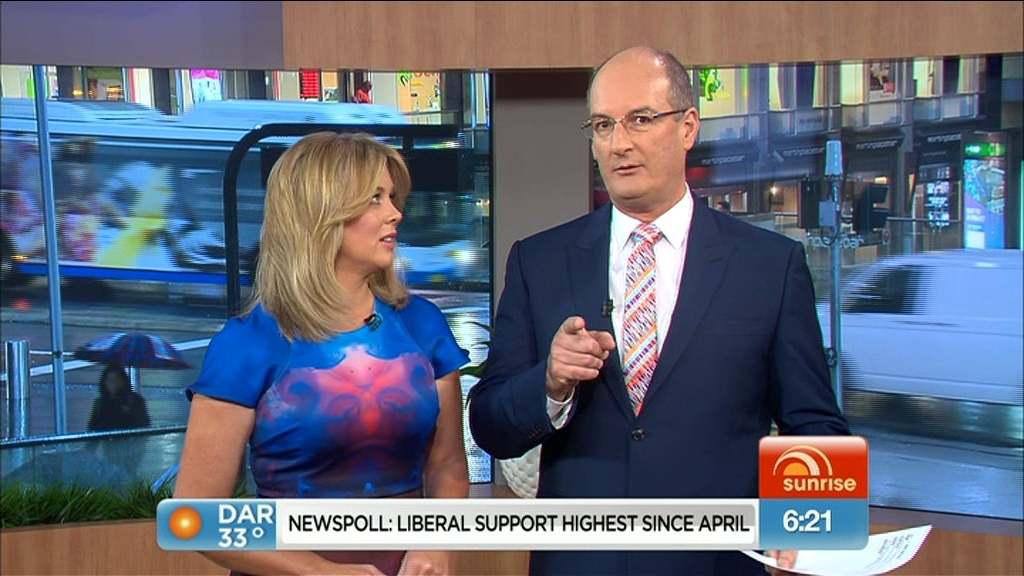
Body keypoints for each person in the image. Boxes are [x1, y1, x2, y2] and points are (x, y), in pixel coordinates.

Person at [467, 46, 850, 576]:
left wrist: (812, 532)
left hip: (717, 565)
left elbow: (815, 421)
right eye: (603, 125)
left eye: (641, 120)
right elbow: (489, 425)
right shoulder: (540, 261)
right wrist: (550, 384)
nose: (619, 143)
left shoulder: (769, 266)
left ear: (688, 127)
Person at [174, 131, 470, 576]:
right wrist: (325, 573)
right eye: (374, 199)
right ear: (321, 214)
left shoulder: (422, 325)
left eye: (392, 197)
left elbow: (447, 465)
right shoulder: (249, 343)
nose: (395, 213)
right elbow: (195, 519)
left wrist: (437, 547)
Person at [87, 363, 151, 432]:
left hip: (128, 437)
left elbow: (143, 425)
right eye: (110, 380)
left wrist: (127, 413)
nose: (113, 383)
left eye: (117, 380)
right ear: (104, 382)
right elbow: (92, 427)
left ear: (123, 381)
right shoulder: (100, 402)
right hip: (105, 437)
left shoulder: (134, 400)